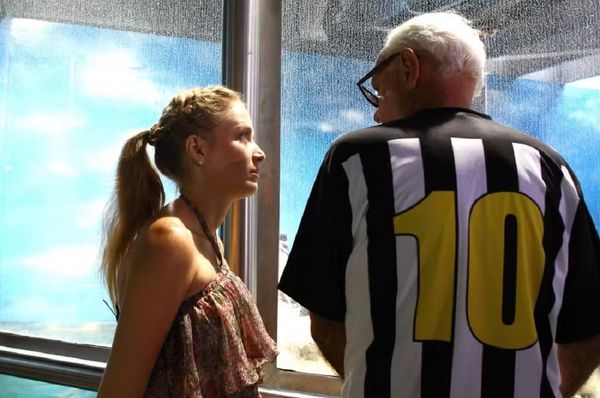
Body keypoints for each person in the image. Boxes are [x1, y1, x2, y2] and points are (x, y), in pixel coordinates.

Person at [278, 12, 600, 398]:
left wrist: (383, 382)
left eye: (379, 92)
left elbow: (325, 319)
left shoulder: (355, 158)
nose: (378, 112)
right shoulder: (551, 169)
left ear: (409, 67)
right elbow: (588, 334)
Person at [97, 85, 277, 398]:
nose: (258, 152)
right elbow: (119, 390)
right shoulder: (170, 242)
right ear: (197, 149)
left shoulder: (207, 240)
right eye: (242, 137)